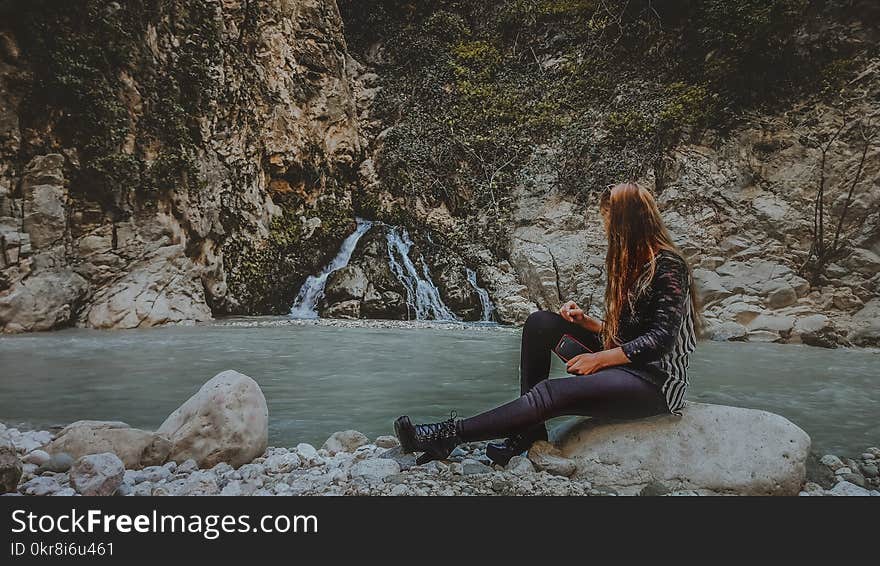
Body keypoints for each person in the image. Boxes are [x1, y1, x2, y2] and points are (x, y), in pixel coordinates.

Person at [394, 182, 701, 466]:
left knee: (552, 392)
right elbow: (629, 334)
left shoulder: (668, 265)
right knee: (540, 323)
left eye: (609, 219)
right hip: (627, 364)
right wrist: (590, 323)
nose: (605, 227)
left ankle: (447, 435)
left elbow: (660, 339)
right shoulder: (633, 266)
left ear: (627, 223)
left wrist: (599, 359)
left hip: (656, 383)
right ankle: (529, 431)